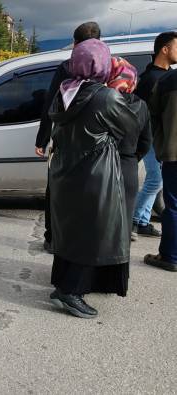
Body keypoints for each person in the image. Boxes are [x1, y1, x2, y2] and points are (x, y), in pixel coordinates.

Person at [47, 39, 142, 319]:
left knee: (71, 231)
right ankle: (71, 291)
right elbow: (131, 127)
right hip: (95, 173)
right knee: (93, 233)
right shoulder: (106, 97)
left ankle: (62, 284)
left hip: (65, 171)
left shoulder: (64, 92)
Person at [35, 22, 101, 253]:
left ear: (75, 44)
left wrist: (42, 140)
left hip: (65, 142)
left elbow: (50, 105)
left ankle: (53, 238)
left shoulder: (67, 68)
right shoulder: (111, 68)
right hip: (97, 145)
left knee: (56, 191)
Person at [132, 32, 177, 238]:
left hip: (163, 138)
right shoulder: (150, 79)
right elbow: (141, 113)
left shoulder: (167, 76)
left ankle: (141, 220)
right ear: (164, 49)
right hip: (151, 137)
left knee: (156, 180)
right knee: (155, 180)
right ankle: (135, 219)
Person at [107, 58, 152, 244]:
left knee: (102, 221)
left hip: (103, 165)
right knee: (124, 222)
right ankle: (120, 271)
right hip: (128, 166)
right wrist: (132, 157)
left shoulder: (104, 101)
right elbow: (146, 142)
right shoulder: (141, 105)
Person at [145, 67, 177, 272]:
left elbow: (152, 115)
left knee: (173, 205)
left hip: (173, 153)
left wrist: (160, 145)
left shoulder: (168, 80)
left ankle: (170, 256)